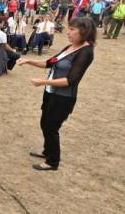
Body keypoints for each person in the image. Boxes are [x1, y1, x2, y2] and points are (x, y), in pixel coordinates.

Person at [16, 17, 95, 171]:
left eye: (72, 29)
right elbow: (49, 62)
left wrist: (43, 82)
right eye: (69, 28)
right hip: (51, 93)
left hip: (63, 97)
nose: (68, 32)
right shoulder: (69, 47)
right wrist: (28, 61)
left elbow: (71, 80)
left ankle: (53, 162)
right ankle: (47, 152)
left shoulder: (86, 52)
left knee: (51, 127)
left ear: (84, 32)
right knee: (44, 123)